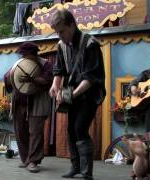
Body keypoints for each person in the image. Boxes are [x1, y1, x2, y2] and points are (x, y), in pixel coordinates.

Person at [49, 9, 106, 180]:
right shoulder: (61, 46)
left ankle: (86, 172)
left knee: (80, 127)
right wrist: (55, 86)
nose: (60, 36)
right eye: (57, 32)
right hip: (72, 92)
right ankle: (75, 167)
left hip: (90, 94)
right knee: (71, 130)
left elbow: (91, 78)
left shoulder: (90, 44)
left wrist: (72, 94)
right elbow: (59, 70)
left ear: (72, 25)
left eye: (62, 31)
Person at [4, 42, 53, 173]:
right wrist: (9, 77)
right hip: (20, 101)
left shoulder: (45, 64)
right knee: (20, 131)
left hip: (37, 102)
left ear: (33, 54)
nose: (22, 56)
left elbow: (48, 80)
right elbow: (7, 78)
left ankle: (33, 161)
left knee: (36, 132)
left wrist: (33, 79)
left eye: (25, 54)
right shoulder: (20, 63)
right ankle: (25, 158)